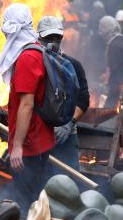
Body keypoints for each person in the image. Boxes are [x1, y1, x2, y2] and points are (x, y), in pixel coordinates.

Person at [0, 3, 55, 217]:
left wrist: (18, 146)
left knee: (26, 201)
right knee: (31, 197)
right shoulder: (34, 51)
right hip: (36, 139)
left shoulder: (27, 57)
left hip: (31, 143)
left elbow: (26, 104)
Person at [36, 16, 90, 171]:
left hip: (66, 137)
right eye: (48, 37)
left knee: (69, 182)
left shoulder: (73, 65)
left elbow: (83, 100)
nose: (53, 41)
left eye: (57, 37)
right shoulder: (33, 63)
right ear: (39, 37)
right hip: (39, 135)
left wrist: (68, 124)